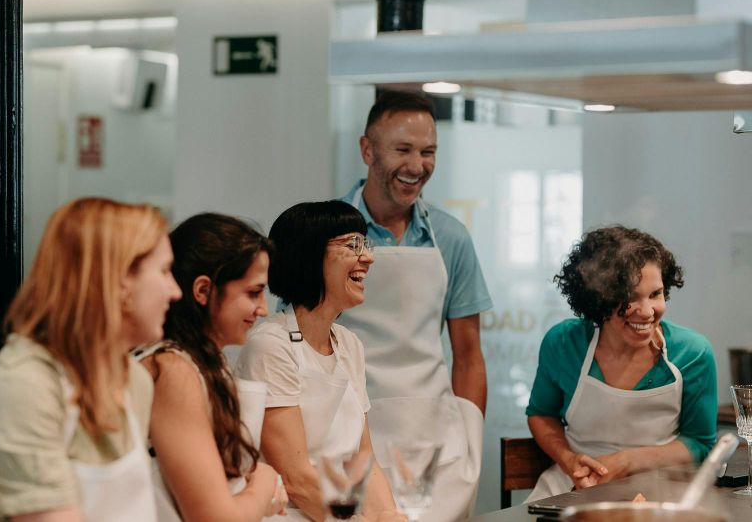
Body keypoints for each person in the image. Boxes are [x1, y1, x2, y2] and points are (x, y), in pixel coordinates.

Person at [0, 197, 183, 521]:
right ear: (118, 280)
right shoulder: (21, 389)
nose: (175, 291)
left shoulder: (134, 381)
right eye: (163, 271)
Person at [337, 90, 492, 521]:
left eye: (428, 152)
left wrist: (470, 443)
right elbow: (300, 344)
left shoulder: (451, 237)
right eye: (402, 149)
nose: (417, 166)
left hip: (437, 450)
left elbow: (469, 354)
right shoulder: (325, 234)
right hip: (350, 441)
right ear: (367, 150)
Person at [235, 201, 401, 522]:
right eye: (353, 245)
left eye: (365, 244)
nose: (368, 257)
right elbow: (297, 481)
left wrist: (388, 516)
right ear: (309, 256)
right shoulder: (271, 345)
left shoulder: (349, 344)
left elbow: (363, 459)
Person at [525, 225, 718, 502]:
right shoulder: (563, 343)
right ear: (597, 299)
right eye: (629, 298)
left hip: (659, 492)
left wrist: (625, 461)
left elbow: (699, 443)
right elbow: (541, 415)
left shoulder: (693, 353)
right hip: (573, 486)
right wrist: (570, 461)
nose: (647, 312)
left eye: (655, 294)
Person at [132, 213, 288, 521]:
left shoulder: (204, 362)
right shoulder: (173, 368)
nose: (263, 309)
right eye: (253, 293)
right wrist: (265, 481)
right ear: (203, 290)